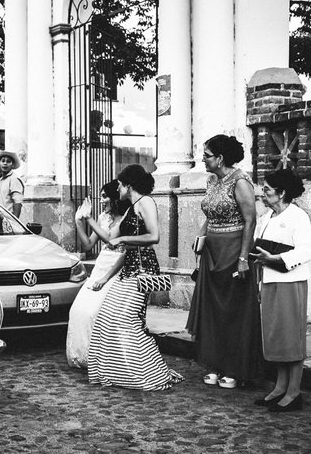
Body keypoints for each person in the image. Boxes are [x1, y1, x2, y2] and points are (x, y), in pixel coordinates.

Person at [86, 164, 184, 391]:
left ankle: (144, 373)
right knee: (106, 319)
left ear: (129, 185)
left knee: (127, 321)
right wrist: (88, 219)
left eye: (120, 184)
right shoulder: (131, 209)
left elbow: (154, 236)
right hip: (128, 270)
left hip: (143, 270)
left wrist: (124, 241)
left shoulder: (146, 202)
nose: (117, 188)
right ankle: (120, 372)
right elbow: (110, 239)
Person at [185, 134, 265, 389]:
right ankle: (215, 364)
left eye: (207, 156)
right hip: (212, 250)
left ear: (220, 158)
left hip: (233, 250)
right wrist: (200, 236)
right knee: (213, 312)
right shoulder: (211, 181)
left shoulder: (240, 181)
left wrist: (243, 258)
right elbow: (209, 214)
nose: (203, 160)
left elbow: (250, 221)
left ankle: (234, 368)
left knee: (233, 310)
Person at [249, 168, 311, 412]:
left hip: (290, 282)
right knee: (275, 335)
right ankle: (280, 386)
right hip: (269, 280)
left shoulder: (298, 216)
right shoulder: (266, 218)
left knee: (291, 336)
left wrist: (277, 258)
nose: (263, 194)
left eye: (267, 190)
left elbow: (307, 250)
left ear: (282, 192)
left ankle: (294, 391)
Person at [65, 181, 129, 368]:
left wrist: (89, 218)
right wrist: (79, 221)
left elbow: (112, 240)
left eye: (104, 196)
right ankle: (83, 357)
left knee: (97, 313)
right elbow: (88, 245)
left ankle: (103, 359)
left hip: (116, 268)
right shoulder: (102, 217)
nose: (101, 200)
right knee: (78, 310)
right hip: (101, 265)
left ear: (115, 198)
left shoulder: (126, 217)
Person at [0, 150, 24, 218]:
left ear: (12, 165)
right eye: (3, 161)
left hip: (8, 219)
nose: (5, 163)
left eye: (8, 161)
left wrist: (14, 222)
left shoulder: (14, 179)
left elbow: (17, 203)